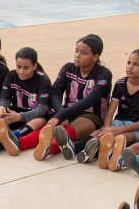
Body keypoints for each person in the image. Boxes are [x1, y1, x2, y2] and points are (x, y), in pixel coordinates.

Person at [26, 33, 112, 161]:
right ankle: (19, 142)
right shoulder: (68, 68)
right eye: (76, 51)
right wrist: (62, 113)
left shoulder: (103, 74)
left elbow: (91, 99)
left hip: (91, 114)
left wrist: (62, 115)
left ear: (95, 57)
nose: (77, 55)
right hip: (67, 111)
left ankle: (48, 149)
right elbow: (55, 92)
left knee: (65, 130)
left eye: (84, 53)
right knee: (50, 128)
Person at [81, 49, 139, 161]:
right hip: (120, 121)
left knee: (119, 138)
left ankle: (98, 155)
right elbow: (110, 112)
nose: (130, 67)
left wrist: (118, 130)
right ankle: (75, 148)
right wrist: (107, 129)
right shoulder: (120, 84)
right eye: (129, 63)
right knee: (97, 134)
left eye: (136, 64)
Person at [0, 47, 52, 156]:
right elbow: (5, 98)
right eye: (18, 67)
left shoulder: (43, 80)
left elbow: (42, 109)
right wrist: (2, 107)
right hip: (16, 112)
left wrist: (20, 117)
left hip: (34, 115)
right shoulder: (11, 75)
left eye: (26, 68)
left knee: (39, 121)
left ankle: (12, 138)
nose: (21, 71)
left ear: (34, 66)